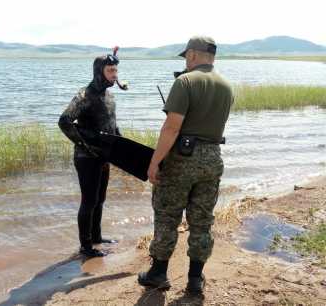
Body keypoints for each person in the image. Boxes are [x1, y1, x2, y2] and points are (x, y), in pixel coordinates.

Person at [138, 36, 234, 294]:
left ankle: (158, 274)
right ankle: (194, 280)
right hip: (213, 158)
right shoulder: (226, 85)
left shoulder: (185, 81)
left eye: (186, 56)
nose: (186, 61)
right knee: (202, 220)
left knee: (167, 216)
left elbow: (171, 127)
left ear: (192, 55)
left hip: (182, 159)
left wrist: (154, 163)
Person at [58, 49, 126, 258]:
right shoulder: (84, 96)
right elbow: (64, 121)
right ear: (99, 71)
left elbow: (112, 126)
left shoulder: (109, 96)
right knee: (89, 201)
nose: (114, 74)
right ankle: (85, 247)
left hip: (104, 157)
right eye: (110, 70)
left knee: (100, 199)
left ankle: (96, 237)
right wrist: (86, 147)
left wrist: (122, 148)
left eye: (116, 70)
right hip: (86, 158)